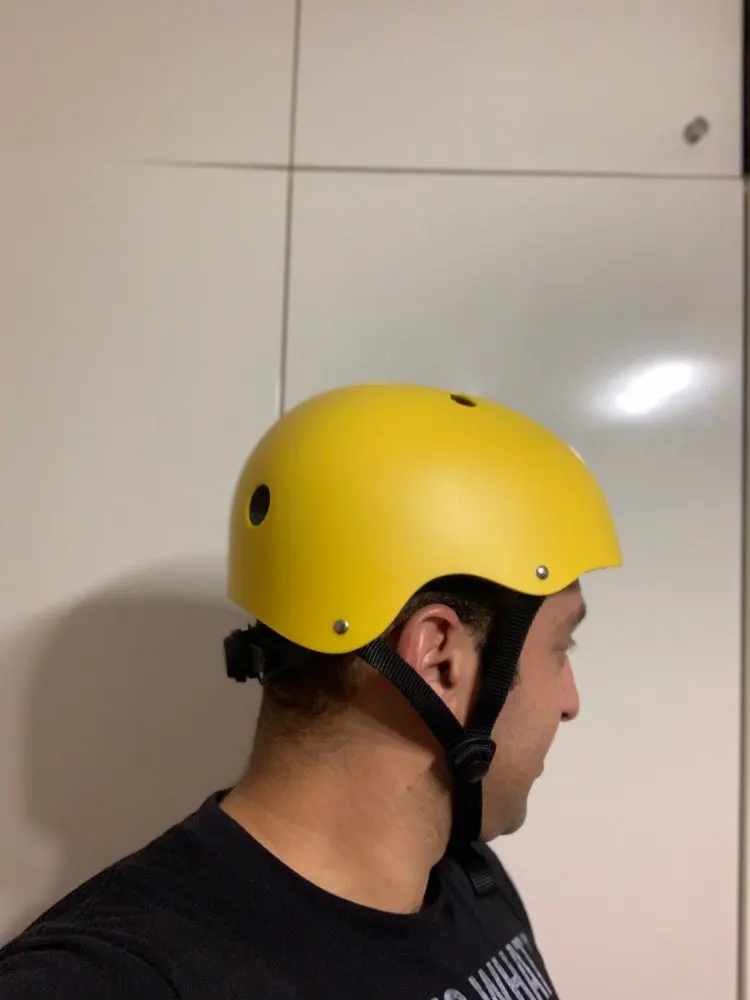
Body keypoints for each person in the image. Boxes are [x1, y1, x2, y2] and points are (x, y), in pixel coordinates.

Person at [0, 382, 622, 999]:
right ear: (439, 659)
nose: (570, 701)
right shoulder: (107, 977)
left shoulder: (470, 881)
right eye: (561, 647)